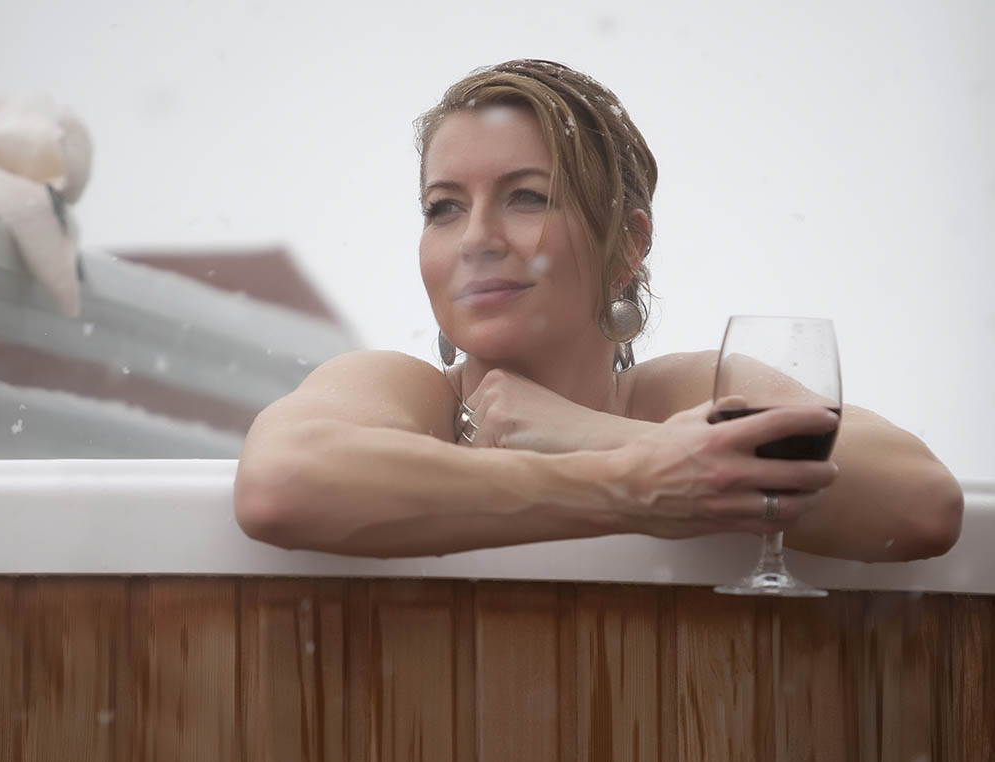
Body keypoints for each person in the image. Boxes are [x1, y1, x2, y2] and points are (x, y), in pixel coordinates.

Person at [234, 59, 963, 561]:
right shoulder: (405, 391)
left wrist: (586, 433)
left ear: (627, 244)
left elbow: (921, 503)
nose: (478, 241)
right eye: (443, 208)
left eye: (526, 196)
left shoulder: (681, 395)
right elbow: (279, 486)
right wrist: (635, 481)